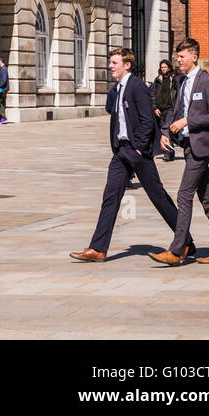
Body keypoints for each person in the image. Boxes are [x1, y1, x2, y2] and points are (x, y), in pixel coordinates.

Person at [70, 47, 182, 263]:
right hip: (121, 151)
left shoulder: (137, 86)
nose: (110, 66)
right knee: (110, 197)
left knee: (157, 196)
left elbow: (147, 120)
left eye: (114, 63)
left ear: (127, 65)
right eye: (110, 62)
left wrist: (139, 148)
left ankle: (185, 240)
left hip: (136, 151)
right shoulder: (119, 88)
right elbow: (111, 109)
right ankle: (98, 248)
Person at [149, 37, 209, 266]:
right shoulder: (182, 82)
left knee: (184, 195)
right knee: (208, 200)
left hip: (202, 146)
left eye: (182, 57)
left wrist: (187, 121)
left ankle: (176, 251)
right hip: (188, 145)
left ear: (194, 57)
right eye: (177, 57)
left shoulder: (206, 81)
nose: (178, 61)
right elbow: (176, 112)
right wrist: (166, 132)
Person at [150, 59, 177, 161]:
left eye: (165, 67)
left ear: (169, 68)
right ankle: (170, 150)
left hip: (171, 108)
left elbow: (177, 93)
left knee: (165, 130)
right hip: (161, 110)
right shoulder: (157, 80)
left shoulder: (174, 79)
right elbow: (153, 95)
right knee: (165, 131)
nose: (163, 69)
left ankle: (168, 153)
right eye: (161, 67)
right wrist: (155, 107)